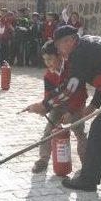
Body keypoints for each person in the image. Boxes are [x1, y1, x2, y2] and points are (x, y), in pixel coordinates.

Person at [25, 25, 101, 191]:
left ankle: (88, 179)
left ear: (70, 40)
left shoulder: (80, 52)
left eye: (58, 45)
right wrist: (95, 104)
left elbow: (70, 88)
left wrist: (45, 106)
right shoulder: (86, 47)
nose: (58, 51)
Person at [28, 40, 87, 173]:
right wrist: (45, 108)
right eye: (45, 60)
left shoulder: (72, 69)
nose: (48, 63)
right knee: (48, 132)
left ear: (59, 56)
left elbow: (81, 94)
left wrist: (71, 112)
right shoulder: (48, 75)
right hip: (58, 106)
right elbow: (48, 96)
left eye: (50, 59)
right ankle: (43, 160)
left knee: (79, 133)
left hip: (76, 105)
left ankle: (87, 163)